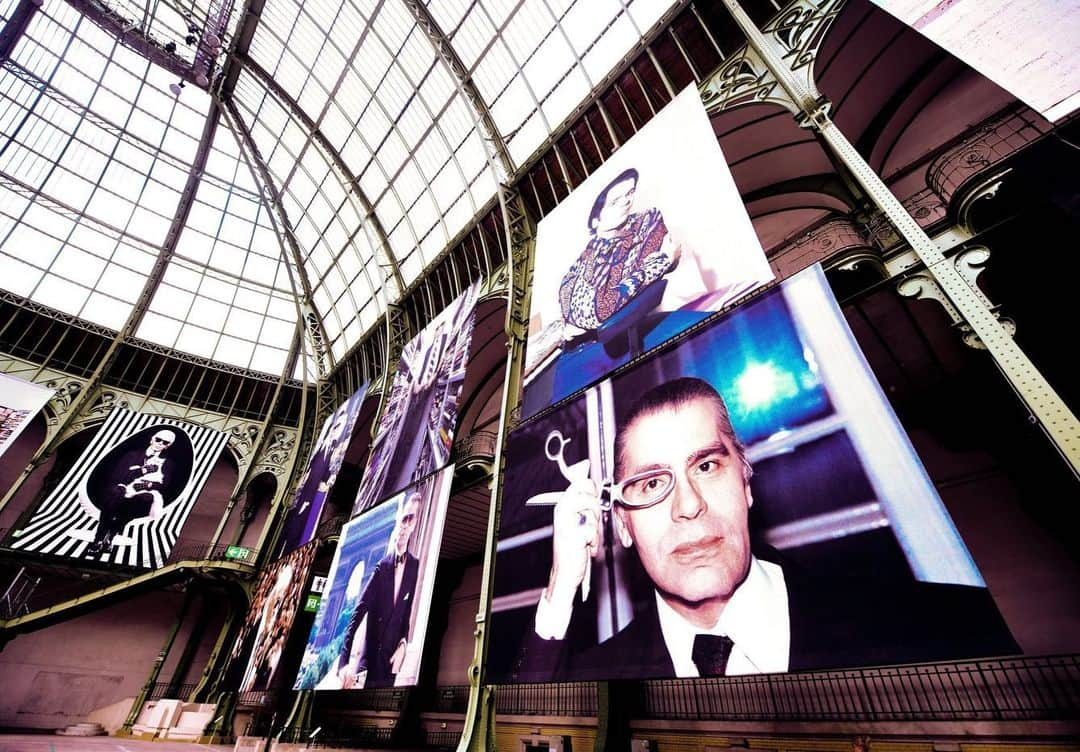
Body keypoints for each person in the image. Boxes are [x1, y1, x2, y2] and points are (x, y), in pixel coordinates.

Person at [515, 377, 1018, 681]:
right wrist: (561, 586)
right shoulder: (594, 675)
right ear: (622, 525)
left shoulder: (947, 629)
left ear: (747, 484)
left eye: (707, 467)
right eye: (650, 485)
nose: (687, 506)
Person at [557, 168, 680, 344]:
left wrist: (657, 265)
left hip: (653, 328)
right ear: (595, 220)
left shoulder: (648, 221)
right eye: (614, 201)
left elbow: (611, 300)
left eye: (630, 192)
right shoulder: (576, 271)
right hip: (604, 352)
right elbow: (600, 311)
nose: (627, 202)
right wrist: (663, 261)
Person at [338, 491, 422, 688]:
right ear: (398, 520)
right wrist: (343, 662)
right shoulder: (382, 566)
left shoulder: (414, 565)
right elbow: (358, 613)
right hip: (369, 663)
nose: (405, 524)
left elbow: (406, 613)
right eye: (404, 518)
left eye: (410, 519)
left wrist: (403, 644)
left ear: (414, 525)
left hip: (391, 664)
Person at [86, 428, 177, 556]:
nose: (160, 443)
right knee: (114, 498)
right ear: (152, 439)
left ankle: (110, 536)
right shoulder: (132, 455)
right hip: (122, 488)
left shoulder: (167, 463)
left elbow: (165, 484)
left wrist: (149, 484)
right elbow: (118, 475)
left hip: (144, 493)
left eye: (165, 442)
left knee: (141, 500)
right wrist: (142, 471)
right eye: (158, 440)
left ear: (168, 446)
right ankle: (99, 540)